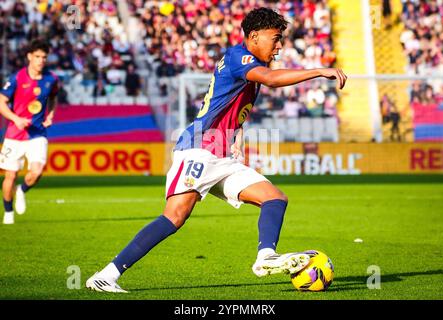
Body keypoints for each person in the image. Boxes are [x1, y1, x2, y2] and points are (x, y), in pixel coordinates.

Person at [86, 8, 347, 293]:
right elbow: (271, 79)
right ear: (254, 36)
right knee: (174, 216)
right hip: (199, 148)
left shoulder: (248, 68)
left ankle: (265, 256)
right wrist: (320, 71)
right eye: (276, 39)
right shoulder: (239, 57)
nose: (280, 46)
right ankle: (106, 275)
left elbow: (233, 108)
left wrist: (237, 137)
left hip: (223, 155)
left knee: (275, 198)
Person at [0, 39, 59, 225]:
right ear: (29, 57)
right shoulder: (17, 78)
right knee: (10, 176)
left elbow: (53, 99)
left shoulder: (52, 79)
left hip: (37, 134)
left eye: (44, 57)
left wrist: (50, 115)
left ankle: (22, 190)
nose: (41, 60)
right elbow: (1, 102)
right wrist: (16, 119)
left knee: (37, 172)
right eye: (37, 57)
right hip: (14, 135)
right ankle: (8, 212)